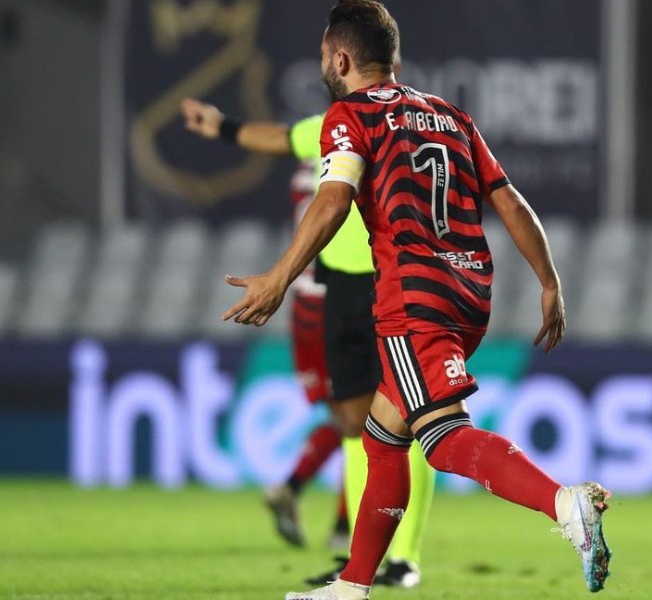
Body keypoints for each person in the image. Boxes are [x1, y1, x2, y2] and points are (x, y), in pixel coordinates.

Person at [220, 1, 612, 599]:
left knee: (443, 437)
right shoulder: (450, 116)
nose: (324, 62)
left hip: (411, 293)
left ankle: (564, 503)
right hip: (469, 290)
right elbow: (508, 201)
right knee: (382, 437)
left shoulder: (348, 116)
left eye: (325, 53)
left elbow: (331, 200)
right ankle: (352, 586)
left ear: (341, 57)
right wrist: (549, 280)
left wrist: (279, 276)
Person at [182, 91, 435, 586]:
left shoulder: (413, 124)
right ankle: (368, 557)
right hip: (337, 283)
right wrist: (224, 127)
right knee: (353, 422)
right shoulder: (327, 125)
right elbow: (280, 137)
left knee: (405, 418)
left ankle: (404, 558)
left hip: (392, 278)